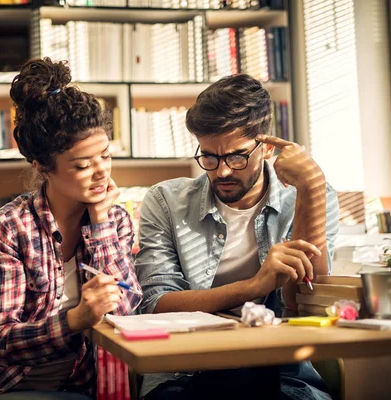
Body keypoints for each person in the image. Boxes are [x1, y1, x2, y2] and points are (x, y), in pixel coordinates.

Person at [0, 58, 142, 400]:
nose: (101, 172)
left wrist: (100, 223)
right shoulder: (6, 230)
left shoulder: (115, 221)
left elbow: (126, 314)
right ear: (44, 167)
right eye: (83, 165)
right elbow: (1, 341)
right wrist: (76, 318)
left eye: (106, 156)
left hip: (71, 389)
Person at [135, 74, 339, 400]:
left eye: (236, 156)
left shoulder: (308, 194)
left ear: (268, 148)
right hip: (184, 372)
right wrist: (254, 286)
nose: (222, 171)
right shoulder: (166, 202)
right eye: (209, 157)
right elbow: (157, 304)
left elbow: (310, 305)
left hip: (281, 373)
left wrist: (311, 186)